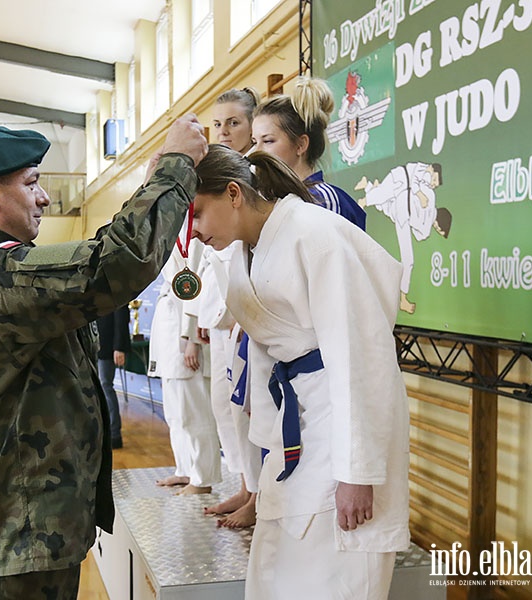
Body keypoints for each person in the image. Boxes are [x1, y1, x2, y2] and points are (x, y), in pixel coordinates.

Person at [0, 118, 206, 598]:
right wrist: (175, 168)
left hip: (10, 529)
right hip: (12, 537)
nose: (45, 198)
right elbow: (110, 264)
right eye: (31, 184)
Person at [191, 144, 410, 599]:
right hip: (296, 423)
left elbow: (361, 353)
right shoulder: (243, 252)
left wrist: (358, 472)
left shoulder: (313, 235)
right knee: (277, 564)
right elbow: (268, 355)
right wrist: (266, 447)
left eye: (198, 213)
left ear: (233, 193)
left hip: (340, 412)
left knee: (337, 564)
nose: (194, 232)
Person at [196, 86, 263, 527]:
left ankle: (258, 493)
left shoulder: (259, 179)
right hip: (220, 313)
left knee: (252, 406)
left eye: (233, 122)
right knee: (225, 405)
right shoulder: (211, 177)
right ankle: (244, 484)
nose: (224, 131)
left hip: (250, 312)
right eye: (217, 124)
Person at [148, 240, 222, 495]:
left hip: (186, 333)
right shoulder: (175, 229)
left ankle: (203, 478)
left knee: (194, 413)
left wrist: (192, 339)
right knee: (175, 414)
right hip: (169, 330)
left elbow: (196, 288)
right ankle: (185, 469)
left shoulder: (196, 231)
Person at [253, 76, 367, 230]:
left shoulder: (322, 199)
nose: (256, 151)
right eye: (255, 142)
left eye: (268, 141)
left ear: (301, 145)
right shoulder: (276, 201)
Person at [355, 163, 451, 313]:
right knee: (408, 260)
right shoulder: (425, 177)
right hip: (401, 187)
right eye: (434, 180)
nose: (433, 184)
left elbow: (420, 234)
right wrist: (420, 195)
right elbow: (416, 183)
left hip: (402, 208)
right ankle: (366, 195)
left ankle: (368, 186)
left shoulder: (429, 195)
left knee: (386, 205)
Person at [96, 305, 131, 449]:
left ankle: (114, 434)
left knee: (105, 386)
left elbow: (121, 317)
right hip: (94, 346)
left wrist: (119, 347)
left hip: (108, 347)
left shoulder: (113, 288)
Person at [211, 87, 259, 155]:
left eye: (233, 123)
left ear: (253, 124)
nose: (222, 132)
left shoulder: (262, 164)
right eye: (218, 124)